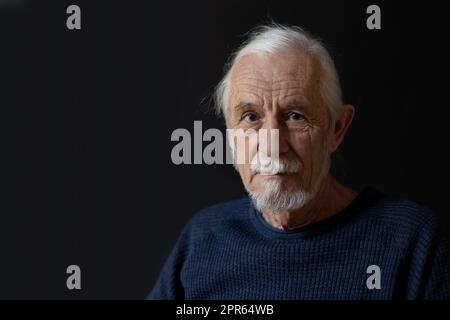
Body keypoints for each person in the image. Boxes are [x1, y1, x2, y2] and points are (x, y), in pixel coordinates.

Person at [149, 24, 450, 299]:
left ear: (337, 128)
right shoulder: (203, 238)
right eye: (251, 117)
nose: (272, 145)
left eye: (295, 116)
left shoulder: (412, 240)